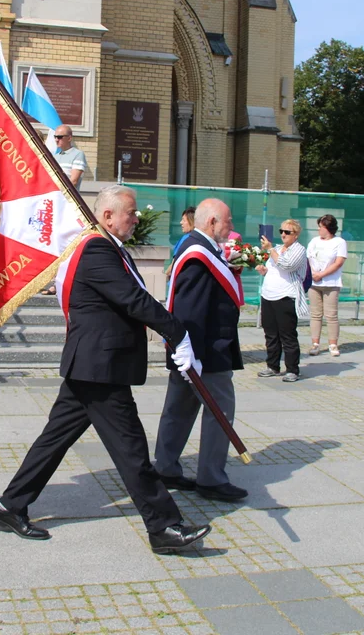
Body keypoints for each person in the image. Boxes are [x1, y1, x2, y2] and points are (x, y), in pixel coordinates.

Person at [0, 185, 210, 555]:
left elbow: (129, 300)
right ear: (107, 216)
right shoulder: (97, 249)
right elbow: (133, 299)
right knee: (132, 450)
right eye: (130, 211)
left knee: (54, 440)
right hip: (99, 368)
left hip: (92, 364)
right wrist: (176, 331)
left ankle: (10, 506)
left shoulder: (106, 247)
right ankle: (163, 527)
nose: (136, 216)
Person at [156, 198, 246, 503]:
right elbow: (189, 310)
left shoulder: (198, 246)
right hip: (205, 351)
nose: (231, 228)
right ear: (212, 223)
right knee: (219, 411)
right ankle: (211, 478)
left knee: (178, 410)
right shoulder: (198, 254)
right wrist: (190, 356)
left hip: (193, 350)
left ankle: (166, 468)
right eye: (228, 222)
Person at [257, 219, 309, 381]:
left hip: (286, 296)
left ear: (296, 235)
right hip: (269, 295)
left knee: (287, 335)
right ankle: (272, 365)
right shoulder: (278, 248)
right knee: (270, 333)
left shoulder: (299, 250)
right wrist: (264, 270)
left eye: (288, 232)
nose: (283, 235)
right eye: (281, 231)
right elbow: (274, 268)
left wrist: (271, 249)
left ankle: (292, 369)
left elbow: (287, 265)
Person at [307, 214, 348, 357]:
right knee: (315, 314)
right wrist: (313, 273)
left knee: (331, 315)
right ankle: (315, 343)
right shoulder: (313, 241)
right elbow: (308, 258)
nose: (319, 230)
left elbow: (338, 262)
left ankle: (333, 344)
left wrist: (322, 274)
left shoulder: (339, 242)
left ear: (328, 228)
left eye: (321, 227)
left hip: (331, 283)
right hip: (314, 283)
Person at [163, 206, 196, 281]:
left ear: (192, 221)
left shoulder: (186, 239)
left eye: (184, 220)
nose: (181, 223)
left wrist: (165, 276)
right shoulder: (199, 239)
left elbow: (175, 262)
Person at [54, 124, 88, 190]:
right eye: (55, 137)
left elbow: (73, 181)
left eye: (59, 137)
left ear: (69, 138)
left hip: (67, 198)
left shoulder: (78, 154)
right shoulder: (54, 157)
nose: (56, 140)